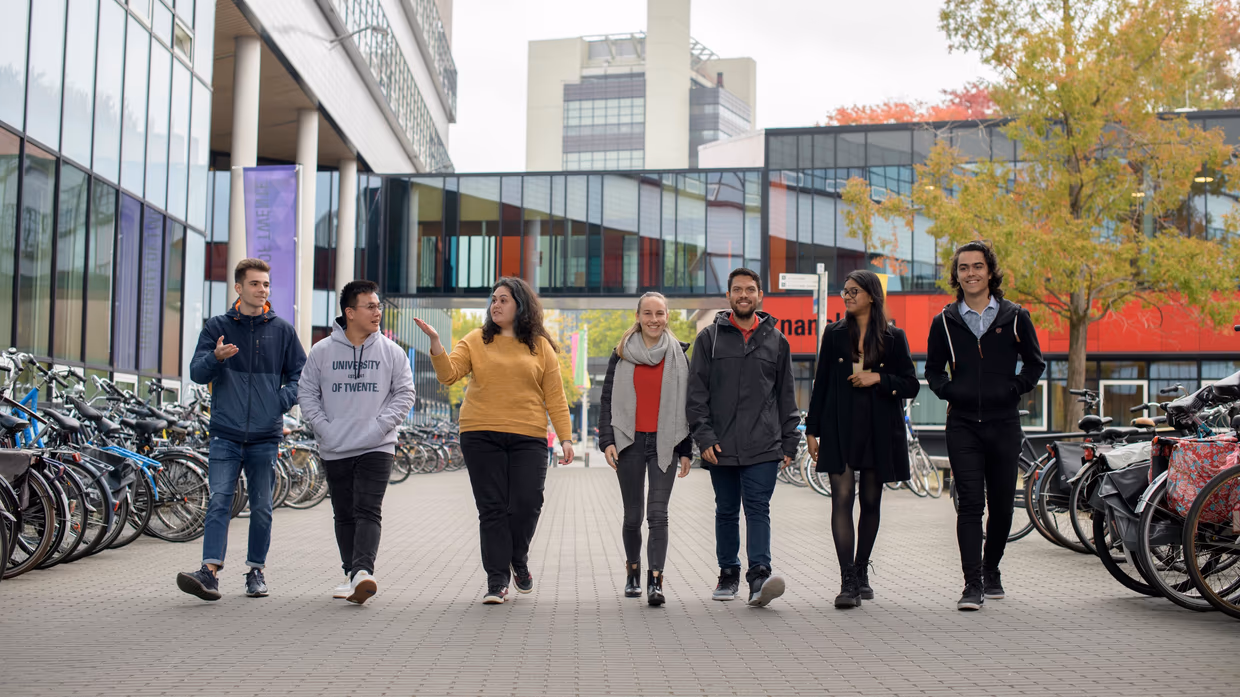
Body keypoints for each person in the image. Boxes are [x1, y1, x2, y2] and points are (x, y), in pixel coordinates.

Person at [416, 277, 575, 605]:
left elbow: (555, 397)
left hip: (528, 435)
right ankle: (497, 580)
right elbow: (449, 374)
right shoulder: (476, 339)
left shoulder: (540, 346)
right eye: (493, 300)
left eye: (504, 299)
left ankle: (518, 557)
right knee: (491, 509)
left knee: (528, 503)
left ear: (521, 305)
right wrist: (435, 343)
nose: (496, 305)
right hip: (480, 432)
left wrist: (566, 438)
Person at [924, 241, 1045, 611]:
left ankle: (992, 569)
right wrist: (952, 392)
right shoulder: (944, 321)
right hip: (962, 424)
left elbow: (1035, 364)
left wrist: (1013, 389)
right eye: (964, 268)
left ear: (990, 272)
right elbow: (932, 370)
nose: (971, 273)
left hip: (1004, 424)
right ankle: (971, 584)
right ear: (956, 275)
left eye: (978, 267)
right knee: (971, 505)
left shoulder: (1015, 316)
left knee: (1004, 508)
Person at [177, 258, 306, 601]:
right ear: (238, 287)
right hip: (225, 431)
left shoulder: (282, 330)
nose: (262, 289)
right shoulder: (217, 326)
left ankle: (256, 572)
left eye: (265, 284)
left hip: (265, 434)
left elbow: (301, 375)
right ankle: (209, 572)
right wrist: (215, 358)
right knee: (220, 500)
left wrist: (281, 400)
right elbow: (196, 373)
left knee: (262, 507)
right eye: (254, 284)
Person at [804, 270, 920, 609]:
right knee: (841, 499)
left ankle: (861, 567)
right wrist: (812, 429)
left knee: (870, 502)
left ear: (871, 295)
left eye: (854, 291)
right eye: (844, 291)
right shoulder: (834, 333)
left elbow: (910, 384)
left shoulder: (893, 336)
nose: (847, 296)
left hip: (879, 429)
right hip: (840, 427)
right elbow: (821, 384)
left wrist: (878, 379)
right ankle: (848, 580)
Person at [687, 268, 800, 607]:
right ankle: (728, 573)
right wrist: (704, 438)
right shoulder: (710, 338)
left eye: (750, 289)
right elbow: (696, 395)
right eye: (737, 290)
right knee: (725, 511)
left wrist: (789, 441)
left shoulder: (777, 341)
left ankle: (759, 576)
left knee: (758, 509)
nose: (744, 295)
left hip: (763, 445)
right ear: (729, 296)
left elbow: (786, 396)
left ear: (760, 295)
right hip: (720, 446)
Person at [298, 280, 416, 605]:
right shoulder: (321, 351)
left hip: (377, 445)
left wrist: (380, 426)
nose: (378, 312)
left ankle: (364, 571)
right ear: (350, 313)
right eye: (370, 306)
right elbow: (306, 393)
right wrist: (324, 428)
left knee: (368, 509)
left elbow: (405, 394)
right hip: (334, 445)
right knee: (343, 512)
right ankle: (352, 573)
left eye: (378, 306)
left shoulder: (392, 352)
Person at [598, 292, 694, 607]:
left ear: (668, 316)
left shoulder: (679, 355)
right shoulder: (622, 353)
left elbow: (687, 407)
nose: (654, 319)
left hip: (665, 442)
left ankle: (655, 580)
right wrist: (607, 440)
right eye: (648, 313)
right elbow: (607, 398)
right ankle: (632, 571)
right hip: (630, 442)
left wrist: (686, 449)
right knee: (632, 516)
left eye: (660, 313)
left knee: (657, 514)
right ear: (638, 316)